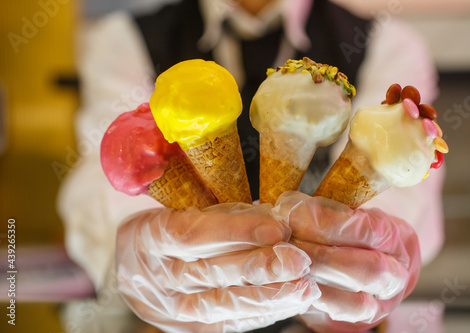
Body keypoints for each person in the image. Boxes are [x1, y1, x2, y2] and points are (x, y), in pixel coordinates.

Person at [57, 0, 445, 331]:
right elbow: (107, 174)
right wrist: (145, 257)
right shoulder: (125, 39)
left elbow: (403, 188)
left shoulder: (387, 43)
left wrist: (376, 259)